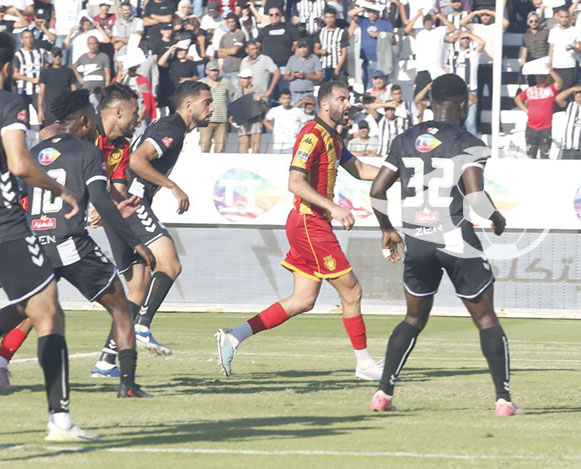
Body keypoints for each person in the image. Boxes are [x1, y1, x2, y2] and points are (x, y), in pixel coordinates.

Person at [215, 80, 384, 382]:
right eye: (342, 99)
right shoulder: (312, 134)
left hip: (310, 223)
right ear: (324, 104)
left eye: (348, 99)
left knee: (303, 299)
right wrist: (333, 207)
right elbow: (295, 182)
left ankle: (234, 335)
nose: (347, 105)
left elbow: (358, 169)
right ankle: (365, 363)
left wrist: (396, 172)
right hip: (310, 222)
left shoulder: (332, 138)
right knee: (352, 290)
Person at [367, 73, 515, 416]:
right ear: (462, 103)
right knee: (486, 319)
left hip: (417, 240)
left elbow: (376, 191)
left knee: (413, 318)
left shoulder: (405, 139)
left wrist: (387, 229)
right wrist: (497, 218)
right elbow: (476, 198)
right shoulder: (469, 142)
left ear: (429, 102)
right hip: (454, 239)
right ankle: (503, 400)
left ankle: (383, 392)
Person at [12, 89, 154, 399]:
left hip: (37, 241)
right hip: (71, 244)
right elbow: (102, 202)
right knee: (121, 308)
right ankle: (127, 384)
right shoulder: (88, 152)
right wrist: (135, 243)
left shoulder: (36, 151)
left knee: (20, 311)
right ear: (86, 120)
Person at [0, 31, 96, 440]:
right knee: (47, 312)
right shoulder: (9, 103)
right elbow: (21, 165)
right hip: (6, 228)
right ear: (7, 67)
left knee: (33, 307)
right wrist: (61, 190)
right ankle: (60, 420)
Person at [126, 81, 213, 356]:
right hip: (134, 204)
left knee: (138, 289)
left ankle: (107, 360)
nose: (212, 108)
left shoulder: (173, 129)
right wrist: (172, 186)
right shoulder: (172, 127)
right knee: (170, 264)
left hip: (129, 205)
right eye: (207, 103)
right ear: (189, 106)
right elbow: (136, 161)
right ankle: (141, 327)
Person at [515, 68, 563, 159]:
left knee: (545, 154)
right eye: (540, 77)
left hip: (545, 128)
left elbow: (559, 82)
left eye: (545, 77)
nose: (543, 79)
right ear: (536, 78)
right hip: (531, 127)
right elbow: (518, 99)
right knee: (530, 155)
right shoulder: (530, 90)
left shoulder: (550, 90)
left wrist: (551, 71)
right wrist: (526, 110)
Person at [38, 48, 78, 127]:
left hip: (65, 108)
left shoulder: (69, 72)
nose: (58, 58)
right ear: (51, 57)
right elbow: (41, 92)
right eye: (55, 55)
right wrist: (40, 110)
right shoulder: (46, 73)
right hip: (50, 109)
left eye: (60, 55)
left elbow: (74, 90)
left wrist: (75, 108)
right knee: (49, 133)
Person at [200, 61, 233, 153]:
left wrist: (232, 112)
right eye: (212, 70)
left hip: (222, 120)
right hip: (205, 119)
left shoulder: (225, 82)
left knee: (220, 148)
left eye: (216, 71)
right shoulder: (201, 83)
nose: (215, 73)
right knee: (204, 146)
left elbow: (234, 95)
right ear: (207, 71)